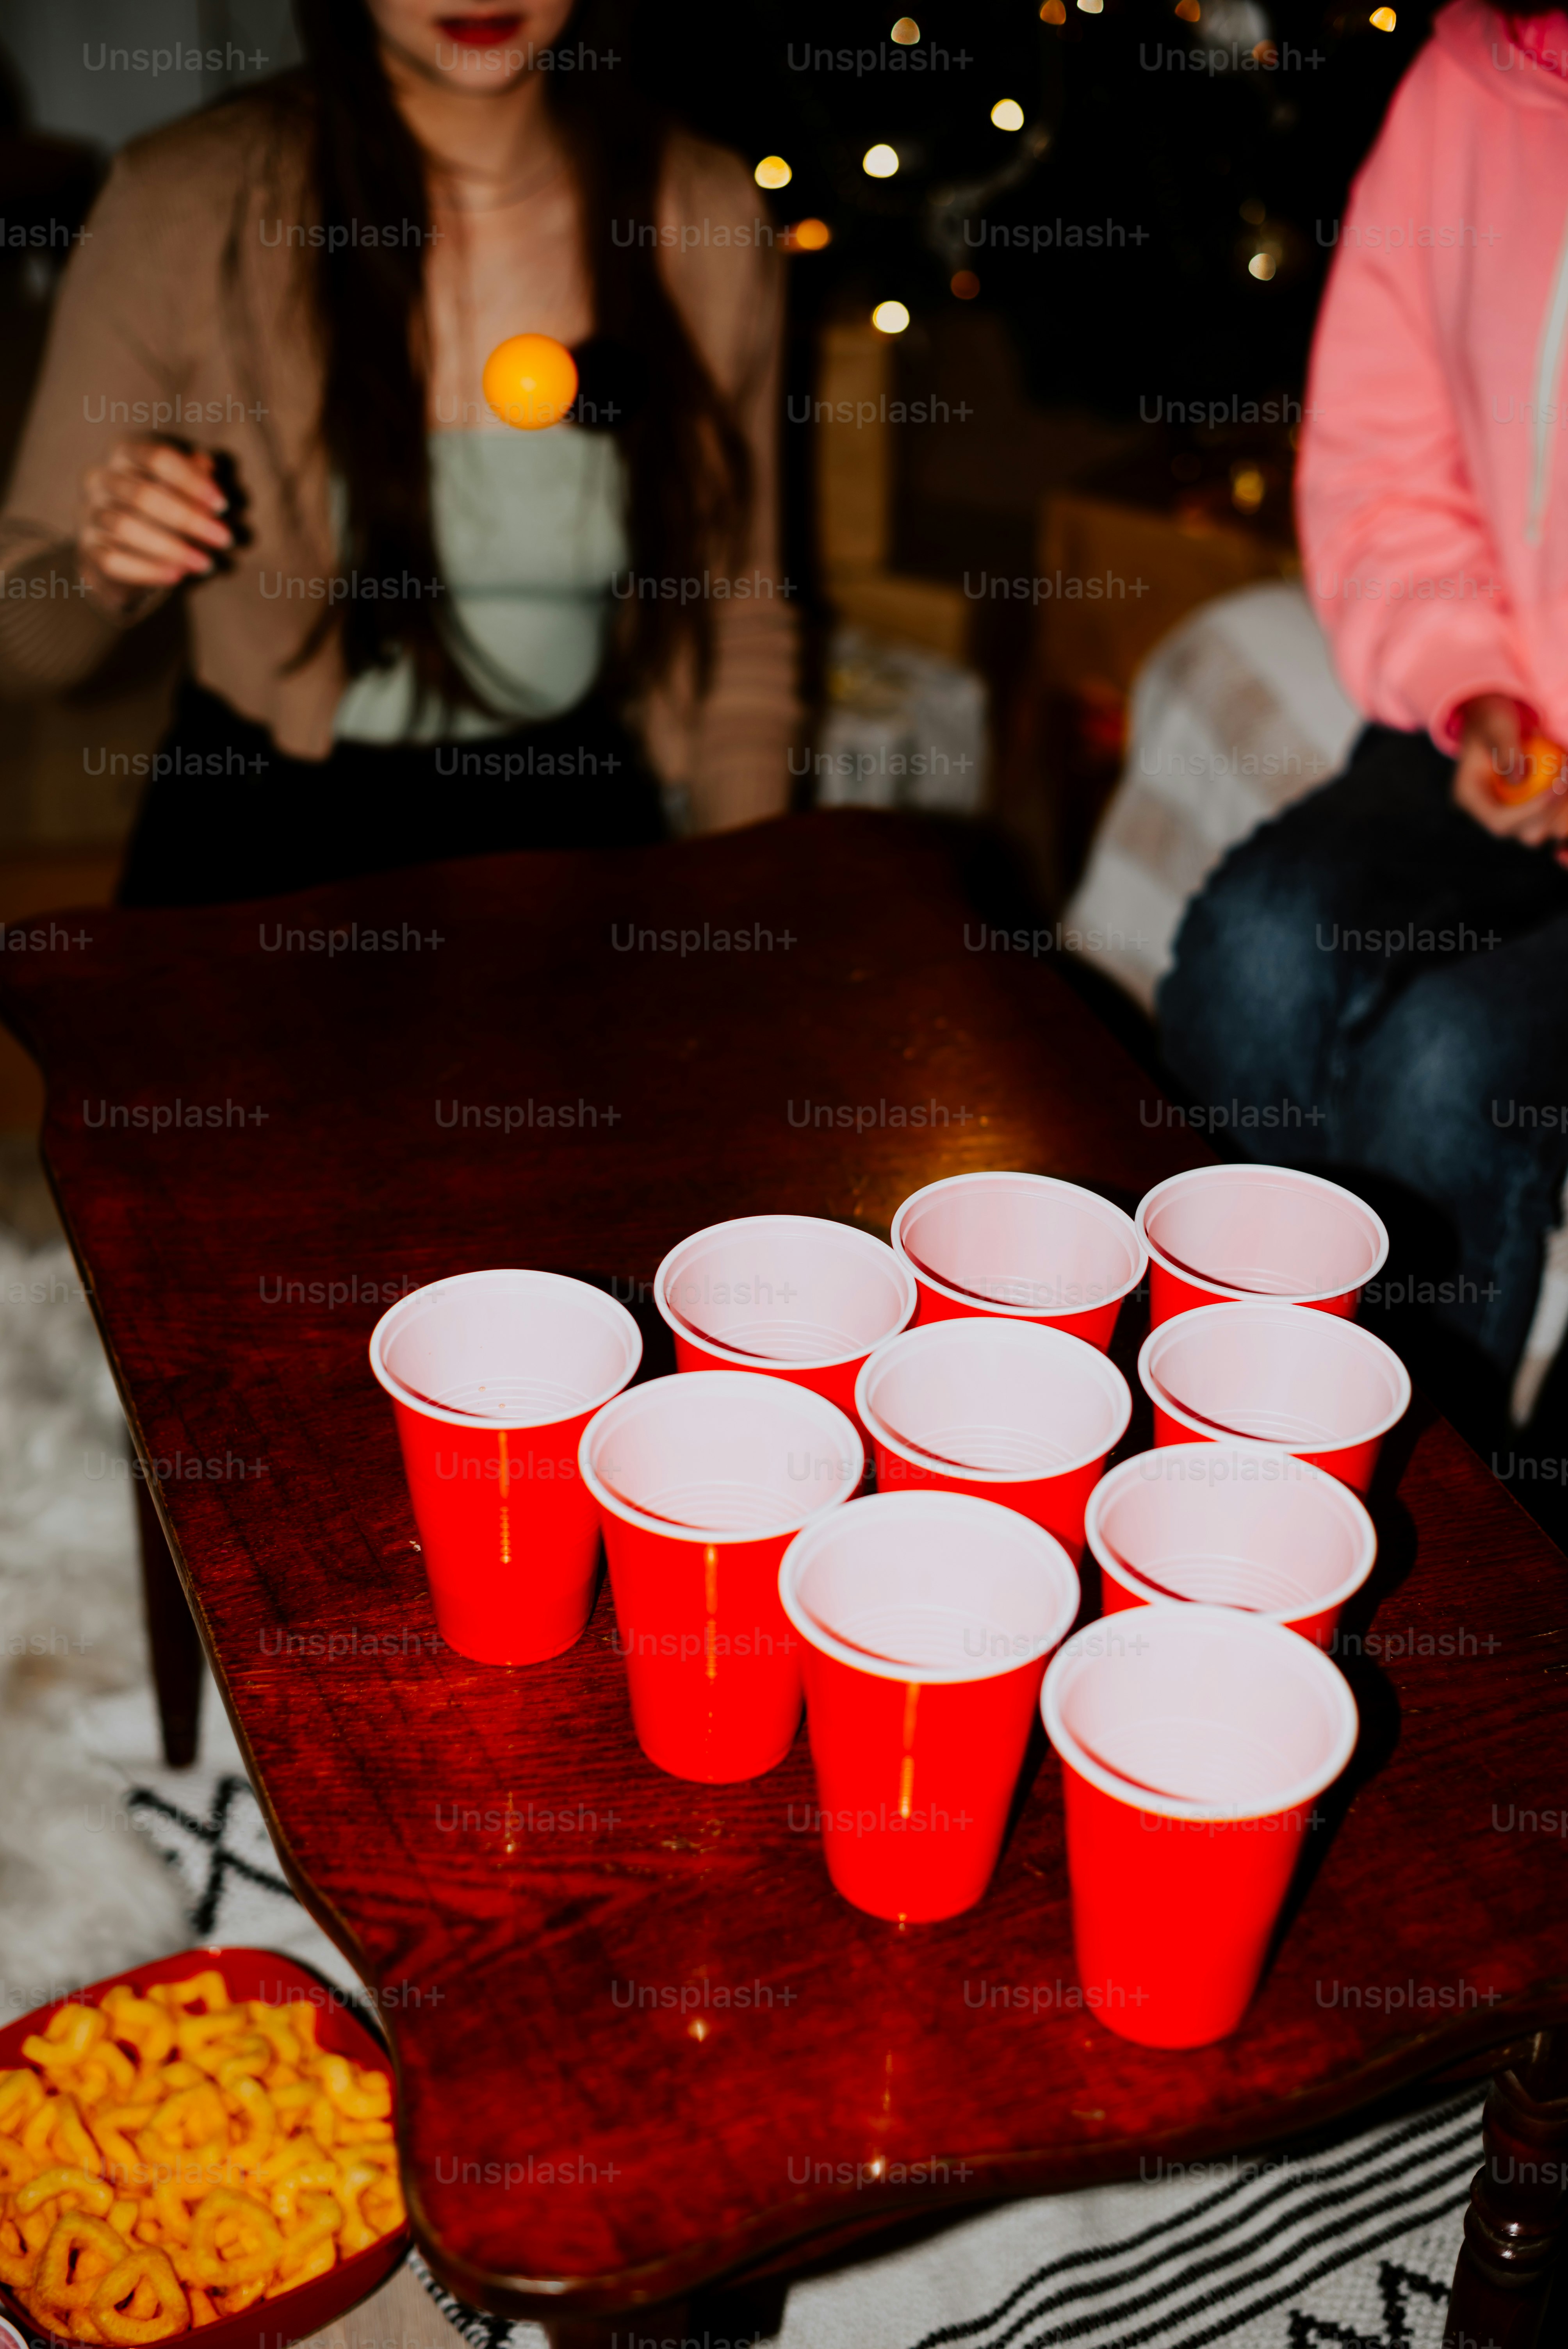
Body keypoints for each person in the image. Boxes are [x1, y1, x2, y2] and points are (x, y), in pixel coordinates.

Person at [0, 0, 796, 905]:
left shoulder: (704, 210)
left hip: (569, 822)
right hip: (263, 833)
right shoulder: (186, 199)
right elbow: (18, 640)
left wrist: (746, 894)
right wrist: (101, 573)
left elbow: (741, 618)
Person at [1159, 0, 1568, 1395]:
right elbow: (1387, 460)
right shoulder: (1472, 87)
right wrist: (1473, 682)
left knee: (1450, 1061)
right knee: (1257, 947)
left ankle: (1419, 1500)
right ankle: (1211, 1397)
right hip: (1497, 701)